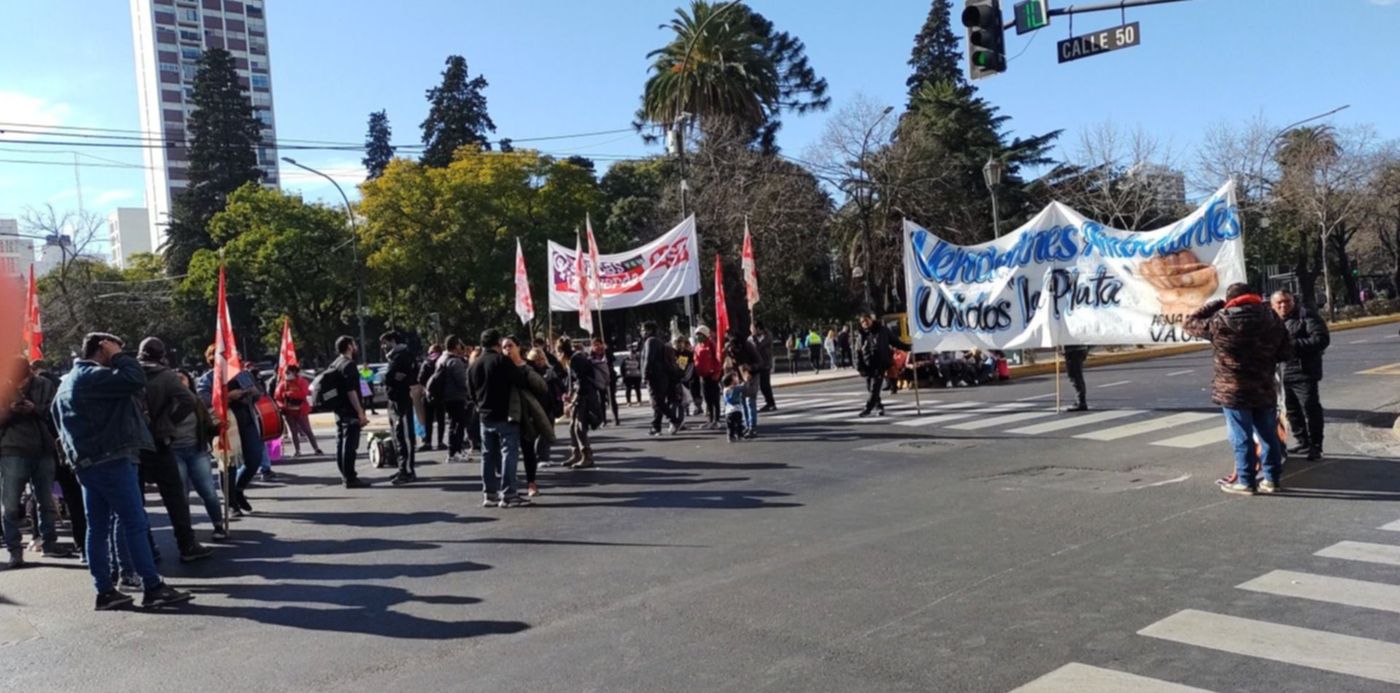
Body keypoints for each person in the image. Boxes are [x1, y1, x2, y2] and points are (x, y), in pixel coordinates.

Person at [51, 333, 192, 610]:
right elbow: (135, 378)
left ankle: (105, 591)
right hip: (112, 458)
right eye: (115, 347)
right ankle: (152, 587)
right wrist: (117, 355)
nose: (120, 353)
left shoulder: (66, 384)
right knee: (134, 523)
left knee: (98, 528)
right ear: (103, 347)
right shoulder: (92, 376)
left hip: (86, 464)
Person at [1184, 283, 1293, 495]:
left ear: (1230, 300)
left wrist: (1215, 304)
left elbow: (1189, 323)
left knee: (1240, 435)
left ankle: (1246, 481)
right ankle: (1272, 479)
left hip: (1233, 390)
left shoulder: (1220, 320)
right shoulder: (1272, 319)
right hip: (1263, 387)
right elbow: (1286, 352)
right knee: (1268, 434)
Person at [136, 338, 212, 562]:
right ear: (162, 355)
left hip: (134, 443)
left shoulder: (126, 374)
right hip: (159, 441)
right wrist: (169, 421)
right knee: (175, 498)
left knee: (136, 502)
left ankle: (148, 548)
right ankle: (186, 545)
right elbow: (189, 400)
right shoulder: (166, 376)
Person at [1, 356, 73, 567]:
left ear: (30, 373)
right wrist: (11, 411)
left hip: (43, 449)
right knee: (10, 504)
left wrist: (35, 409)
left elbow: (56, 411)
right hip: (12, 450)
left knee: (46, 500)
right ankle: (15, 549)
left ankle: (49, 542)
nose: (20, 384)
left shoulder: (45, 384)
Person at [197, 344, 265, 513]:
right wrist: (227, 397)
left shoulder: (241, 374)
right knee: (228, 463)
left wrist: (252, 391)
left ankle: (239, 489)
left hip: (246, 421)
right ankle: (231, 503)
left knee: (254, 459)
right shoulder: (208, 378)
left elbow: (259, 394)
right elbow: (203, 400)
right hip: (225, 425)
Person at [467, 330, 531, 507]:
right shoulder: (502, 361)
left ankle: (489, 493)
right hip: (504, 414)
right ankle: (509, 493)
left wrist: (479, 405)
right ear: (497, 343)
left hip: (484, 416)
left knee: (487, 455)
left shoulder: (474, 365)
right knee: (508, 453)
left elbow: (470, 391)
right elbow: (520, 381)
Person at [1271, 290, 1330, 461]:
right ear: (1272, 305)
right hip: (1282, 374)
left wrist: (1291, 345)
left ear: (1293, 301)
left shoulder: (1306, 316)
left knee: (1310, 409)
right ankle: (1302, 441)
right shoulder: (1272, 321)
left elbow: (1321, 340)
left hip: (1304, 372)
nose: (1283, 305)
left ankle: (1316, 445)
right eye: (1279, 303)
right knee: (1291, 411)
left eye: (1286, 301)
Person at [171, 370, 225, 541]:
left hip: (197, 450)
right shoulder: (164, 402)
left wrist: (219, 427)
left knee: (208, 490)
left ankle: (218, 524)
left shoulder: (197, 402)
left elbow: (208, 426)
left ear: (189, 382)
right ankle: (186, 533)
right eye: (176, 379)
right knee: (181, 494)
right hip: (174, 452)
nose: (180, 382)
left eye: (183, 379)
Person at [328, 336, 371, 488]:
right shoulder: (349, 365)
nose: (356, 346)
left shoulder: (335, 364)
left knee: (341, 443)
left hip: (339, 409)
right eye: (354, 344)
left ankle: (345, 475)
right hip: (350, 410)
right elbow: (351, 390)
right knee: (350, 445)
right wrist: (360, 412)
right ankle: (351, 477)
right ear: (349, 347)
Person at [380, 331, 419, 485]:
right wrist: (391, 377)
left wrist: (392, 377)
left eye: (385, 342)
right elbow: (390, 377)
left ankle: (407, 471)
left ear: (394, 341)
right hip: (394, 399)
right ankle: (402, 467)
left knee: (404, 436)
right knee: (397, 436)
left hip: (401, 400)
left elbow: (390, 376)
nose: (383, 347)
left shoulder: (402, 355)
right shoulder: (394, 357)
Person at [522, 348, 559, 495]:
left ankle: (545, 456)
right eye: (536, 360)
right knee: (536, 434)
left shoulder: (550, 371)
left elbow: (557, 386)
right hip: (535, 408)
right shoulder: (530, 373)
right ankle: (541, 457)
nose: (540, 362)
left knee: (548, 431)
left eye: (541, 359)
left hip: (549, 406)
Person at [560, 337, 599, 468]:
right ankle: (576, 453)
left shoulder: (576, 360)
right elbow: (572, 381)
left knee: (579, 427)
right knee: (573, 427)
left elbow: (581, 382)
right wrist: (569, 394)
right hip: (581, 394)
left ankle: (586, 456)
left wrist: (574, 399)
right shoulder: (574, 359)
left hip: (585, 396)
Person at [433, 337, 472, 464]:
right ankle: (455, 452)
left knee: (453, 424)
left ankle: (454, 451)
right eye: (460, 345)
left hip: (446, 397)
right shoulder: (455, 361)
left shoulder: (441, 359)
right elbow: (462, 381)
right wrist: (470, 392)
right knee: (458, 425)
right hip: (456, 396)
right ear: (456, 346)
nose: (462, 348)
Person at [641, 321, 683, 436]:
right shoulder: (659, 341)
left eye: (643, 329)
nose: (641, 332)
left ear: (649, 330)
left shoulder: (650, 341)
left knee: (658, 402)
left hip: (655, 376)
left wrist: (644, 375)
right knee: (658, 401)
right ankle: (656, 426)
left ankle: (674, 420)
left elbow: (648, 359)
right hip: (663, 377)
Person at [275, 364, 322, 456]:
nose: (287, 374)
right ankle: (297, 450)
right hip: (288, 412)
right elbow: (277, 397)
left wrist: (288, 394)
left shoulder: (302, 381)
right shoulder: (283, 383)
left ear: (295, 372)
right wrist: (282, 406)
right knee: (293, 431)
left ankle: (316, 448)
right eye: (286, 372)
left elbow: (303, 394)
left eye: (289, 372)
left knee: (307, 430)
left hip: (301, 410)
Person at [855, 313, 893, 417]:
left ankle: (867, 409)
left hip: (879, 364)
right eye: (862, 322)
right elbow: (857, 351)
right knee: (870, 388)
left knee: (874, 388)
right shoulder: (861, 335)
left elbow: (895, 341)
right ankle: (879, 407)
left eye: (866, 320)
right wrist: (859, 366)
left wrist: (908, 347)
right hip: (867, 365)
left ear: (871, 320)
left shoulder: (881, 331)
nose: (865, 323)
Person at [417, 343, 446, 451]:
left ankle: (428, 442)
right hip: (441, 395)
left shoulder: (426, 362)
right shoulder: (443, 362)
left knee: (428, 420)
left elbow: (420, 378)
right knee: (440, 419)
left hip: (428, 394)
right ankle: (440, 442)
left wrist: (426, 388)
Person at [693, 327, 723, 429]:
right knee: (707, 399)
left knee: (715, 398)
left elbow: (718, 359)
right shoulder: (697, 346)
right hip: (703, 377)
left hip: (712, 376)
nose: (697, 337)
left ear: (705, 334)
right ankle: (710, 420)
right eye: (696, 334)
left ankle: (717, 420)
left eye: (699, 334)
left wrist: (717, 372)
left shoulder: (711, 344)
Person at [591, 338, 620, 427]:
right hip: (599, 379)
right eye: (595, 344)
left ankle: (616, 418)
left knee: (611, 398)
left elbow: (612, 359)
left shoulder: (606, 352)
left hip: (609, 377)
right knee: (601, 400)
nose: (597, 346)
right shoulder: (592, 354)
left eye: (598, 344)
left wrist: (606, 351)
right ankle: (603, 419)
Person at [749, 321, 777, 412]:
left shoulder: (767, 336)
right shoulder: (754, 337)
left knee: (765, 385)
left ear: (758, 329)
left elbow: (759, 346)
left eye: (754, 329)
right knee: (759, 385)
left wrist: (753, 337)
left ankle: (771, 403)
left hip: (765, 364)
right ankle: (767, 402)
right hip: (758, 364)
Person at [1063, 345, 1090, 412]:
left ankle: (1081, 402)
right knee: (1076, 375)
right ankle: (1081, 401)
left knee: (1075, 376)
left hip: (1074, 350)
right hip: (1078, 349)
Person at [721, 373, 746, 443]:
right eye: (735, 378)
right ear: (731, 381)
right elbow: (743, 387)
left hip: (729, 411)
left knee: (732, 425)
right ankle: (739, 436)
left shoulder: (726, 389)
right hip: (735, 410)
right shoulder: (733, 388)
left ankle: (732, 436)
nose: (737, 379)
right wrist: (745, 381)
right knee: (738, 424)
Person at [739, 365, 759, 439]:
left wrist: (750, 370)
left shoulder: (750, 353)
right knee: (743, 404)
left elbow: (759, 363)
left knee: (750, 402)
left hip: (750, 377)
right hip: (741, 377)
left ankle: (752, 427)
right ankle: (747, 426)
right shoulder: (733, 355)